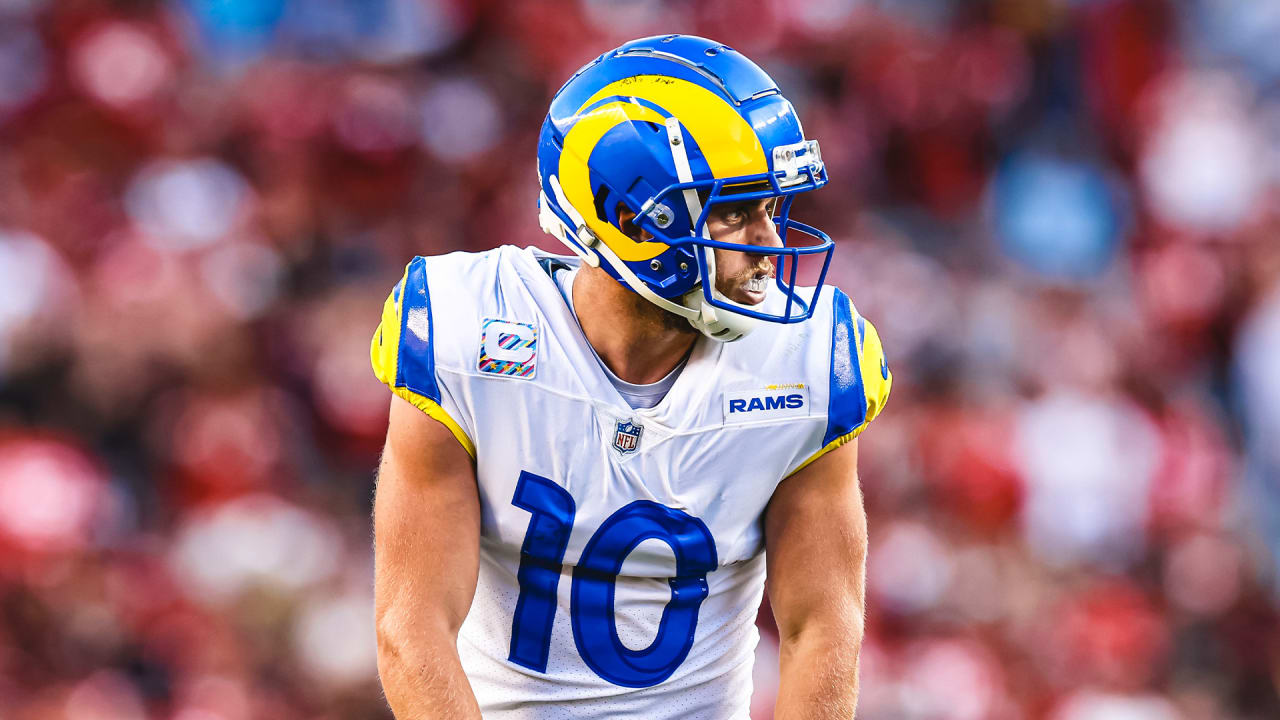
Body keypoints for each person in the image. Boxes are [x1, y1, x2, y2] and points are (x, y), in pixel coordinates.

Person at [370, 34, 891, 719]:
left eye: (769, 209)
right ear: (629, 218)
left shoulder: (805, 362)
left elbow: (822, 628)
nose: (768, 245)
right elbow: (412, 629)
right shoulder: (468, 332)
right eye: (735, 212)